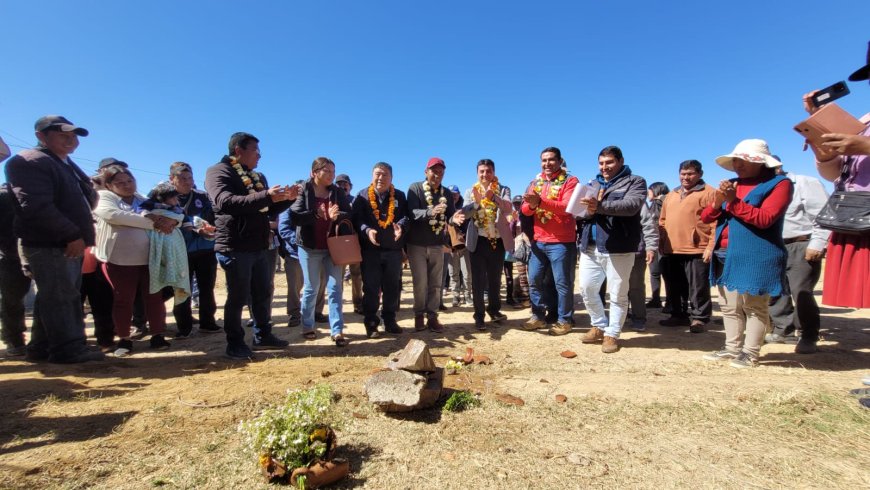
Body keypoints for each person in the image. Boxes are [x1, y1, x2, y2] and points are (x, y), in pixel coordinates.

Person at [4, 115, 104, 363]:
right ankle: (68, 349)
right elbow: (35, 206)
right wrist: (70, 234)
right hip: (51, 242)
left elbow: (86, 198)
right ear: (41, 136)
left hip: (63, 241)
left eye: (73, 136)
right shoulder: (30, 161)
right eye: (62, 135)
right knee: (61, 297)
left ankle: (41, 347)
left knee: (55, 295)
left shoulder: (62, 162)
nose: (70, 140)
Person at [701, 139, 792, 368]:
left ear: (761, 162)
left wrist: (733, 201)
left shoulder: (779, 184)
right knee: (728, 305)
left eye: (743, 160)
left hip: (756, 254)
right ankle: (732, 348)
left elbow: (765, 219)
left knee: (754, 306)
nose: (737, 165)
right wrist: (717, 203)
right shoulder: (732, 184)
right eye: (735, 161)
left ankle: (750, 353)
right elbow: (706, 217)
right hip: (725, 253)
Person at [205, 132, 296, 360]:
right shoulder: (218, 172)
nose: (259, 155)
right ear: (238, 150)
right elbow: (225, 202)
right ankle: (235, 343)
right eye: (255, 150)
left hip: (259, 245)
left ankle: (263, 335)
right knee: (238, 296)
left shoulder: (255, 176)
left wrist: (288, 199)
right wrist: (267, 196)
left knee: (262, 293)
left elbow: (266, 210)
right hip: (235, 245)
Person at [801, 42, 870, 309]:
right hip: (856, 217)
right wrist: (824, 149)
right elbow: (836, 175)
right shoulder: (864, 121)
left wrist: (865, 146)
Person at [93, 165, 178, 357]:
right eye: (120, 182)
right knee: (123, 300)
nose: (127, 185)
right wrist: (157, 222)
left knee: (154, 299)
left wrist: (170, 220)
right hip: (119, 260)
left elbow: (173, 215)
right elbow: (114, 216)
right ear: (109, 185)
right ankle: (124, 339)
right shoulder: (104, 197)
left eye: (130, 181)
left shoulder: (142, 199)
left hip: (149, 259)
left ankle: (157, 335)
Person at [576, 146, 647, 353]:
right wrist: (583, 211)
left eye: (609, 162)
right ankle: (598, 325)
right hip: (590, 246)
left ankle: (612, 334)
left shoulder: (635, 181)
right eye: (601, 163)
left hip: (619, 247)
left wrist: (598, 206)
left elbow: (631, 206)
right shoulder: (593, 184)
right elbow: (583, 213)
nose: (604, 167)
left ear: (621, 161)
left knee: (618, 294)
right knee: (587, 288)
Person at [765, 162, 830, 354]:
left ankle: (808, 335)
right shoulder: (765, 187)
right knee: (775, 291)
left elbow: (823, 216)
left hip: (800, 244)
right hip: (773, 245)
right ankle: (783, 330)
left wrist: (818, 243)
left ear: (778, 167)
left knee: (801, 292)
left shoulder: (804, 183)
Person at [290, 157, 352, 346]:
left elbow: (349, 213)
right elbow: (295, 217)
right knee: (312, 287)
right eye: (327, 171)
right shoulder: (303, 189)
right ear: (314, 172)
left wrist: (336, 216)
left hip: (332, 246)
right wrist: (316, 214)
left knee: (335, 288)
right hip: (309, 247)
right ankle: (308, 325)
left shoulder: (337, 192)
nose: (332, 175)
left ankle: (337, 330)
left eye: (333, 171)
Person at [520, 147, 579, 336]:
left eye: (551, 159)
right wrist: (532, 205)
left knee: (562, 283)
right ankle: (538, 316)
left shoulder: (570, 181)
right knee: (534, 280)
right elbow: (524, 210)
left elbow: (567, 207)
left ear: (560, 161)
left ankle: (565, 320)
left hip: (561, 242)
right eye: (544, 160)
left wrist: (540, 202)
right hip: (539, 241)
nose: (547, 163)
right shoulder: (535, 182)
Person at [406, 158, 465, 333]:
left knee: (436, 283)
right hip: (416, 244)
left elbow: (450, 214)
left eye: (441, 172)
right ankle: (419, 315)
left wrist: (455, 218)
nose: (437, 175)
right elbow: (412, 213)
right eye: (434, 171)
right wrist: (431, 211)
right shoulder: (415, 188)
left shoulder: (446, 193)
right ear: (426, 172)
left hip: (437, 245)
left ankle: (432, 316)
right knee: (420, 283)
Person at [658, 160, 717, 333]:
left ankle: (700, 318)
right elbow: (662, 220)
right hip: (672, 248)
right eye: (683, 174)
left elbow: (715, 222)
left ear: (700, 174)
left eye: (690, 174)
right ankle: (678, 314)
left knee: (698, 286)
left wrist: (710, 246)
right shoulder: (672, 194)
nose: (686, 177)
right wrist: (662, 241)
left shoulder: (709, 193)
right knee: (674, 285)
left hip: (697, 248)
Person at [353, 162, 408, 337]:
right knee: (371, 288)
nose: (381, 178)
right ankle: (371, 322)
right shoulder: (362, 195)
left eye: (385, 175)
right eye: (378, 174)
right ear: (372, 176)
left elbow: (406, 216)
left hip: (393, 250)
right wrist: (367, 230)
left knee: (392, 287)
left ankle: (389, 320)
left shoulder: (400, 195)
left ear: (391, 178)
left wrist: (401, 226)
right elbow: (356, 220)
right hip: (370, 251)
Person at [167, 162, 220, 337]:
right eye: (183, 178)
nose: (188, 182)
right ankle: (184, 327)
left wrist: (210, 228)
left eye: (190, 178)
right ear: (172, 179)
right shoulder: (164, 197)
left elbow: (213, 217)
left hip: (205, 248)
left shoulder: (202, 197)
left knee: (207, 287)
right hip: (180, 250)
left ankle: (208, 322)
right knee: (182, 289)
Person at [461, 159, 514, 331]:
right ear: (477, 173)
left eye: (489, 171)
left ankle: (494, 310)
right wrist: (476, 203)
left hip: (497, 241)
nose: (485, 174)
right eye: (482, 171)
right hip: (478, 241)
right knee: (478, 280)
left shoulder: (504, 189)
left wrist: (493, 197)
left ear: (494, 172)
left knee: (495, 279)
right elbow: (465, 214)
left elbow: (508, 208)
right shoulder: (470, 191)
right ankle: (479, 316)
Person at [625, 198, 658, 331]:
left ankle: (639, 318)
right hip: (613, 251)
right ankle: (620, 317)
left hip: (636, 251)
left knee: (636, 286)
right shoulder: (606, 196)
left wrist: (651, 247)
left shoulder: (638, 200)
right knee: (618, 287)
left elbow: (648, 225)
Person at [277, 180, 307, 328]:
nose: (302, 193)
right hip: (294, 254)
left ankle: (316, 312)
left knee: (317, 285)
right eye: (299, 190)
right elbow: (283, 229)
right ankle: (294, 314)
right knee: (295, 287)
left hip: (313, 253)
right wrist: (300, 242)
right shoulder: (287, 208)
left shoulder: (312, 207)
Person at [335, 173, 364, 314]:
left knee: (357, 276)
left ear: (350, 187)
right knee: (338, 277)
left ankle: (358, 304)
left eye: (345, 184)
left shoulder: (356, 201)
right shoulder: (331, 200)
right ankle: (337, 306)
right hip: (337, 244)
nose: (342, 186)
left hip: (354, 242)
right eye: (339, 184)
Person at [446, 185, 472, 307]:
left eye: (455, 194)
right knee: (453, 273)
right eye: (451, 194)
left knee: (467, 273)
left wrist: (464, 235)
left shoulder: (464, 206)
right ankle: (455, 296)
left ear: (459, 194)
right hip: (450, 246)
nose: (453, 196)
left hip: (464, 245)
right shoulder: (444, 207)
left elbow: (470, 223)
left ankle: (467, 295)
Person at [645, 182, 669, 309]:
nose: (647, 193)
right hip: (660, 242)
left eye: (649, 190)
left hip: (660, 243)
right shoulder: (657, 204)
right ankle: (661, 300)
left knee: (660, 273)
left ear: (655, 190)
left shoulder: (659, 203)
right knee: (659, 273)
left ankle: (661, 300)